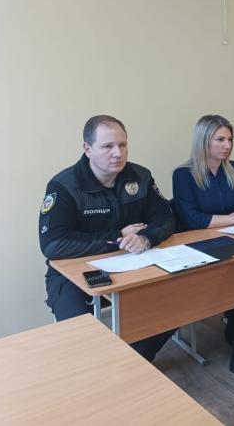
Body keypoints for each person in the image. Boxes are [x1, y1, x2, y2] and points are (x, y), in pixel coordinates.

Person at [39, 115, 176, 361]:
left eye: (122, 145)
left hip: (133, 264)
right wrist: (118, 237)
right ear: (87, 148)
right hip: (73, 276)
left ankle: (133, 363)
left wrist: (145, 238)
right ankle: (101, 371)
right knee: (82, 339)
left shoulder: (140, 176)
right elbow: (53, 244)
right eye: (108, 146)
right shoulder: (64, 185)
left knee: (179, 303)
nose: (117, 153)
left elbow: (165, 217)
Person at [172, 114, 234, 383]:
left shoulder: (233, 168)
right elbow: (193, 219)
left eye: (229, 139)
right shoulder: (184, 174)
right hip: (198, 245)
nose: (227, 145)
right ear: (203, 141)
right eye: (220, 140)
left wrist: (232, 219)